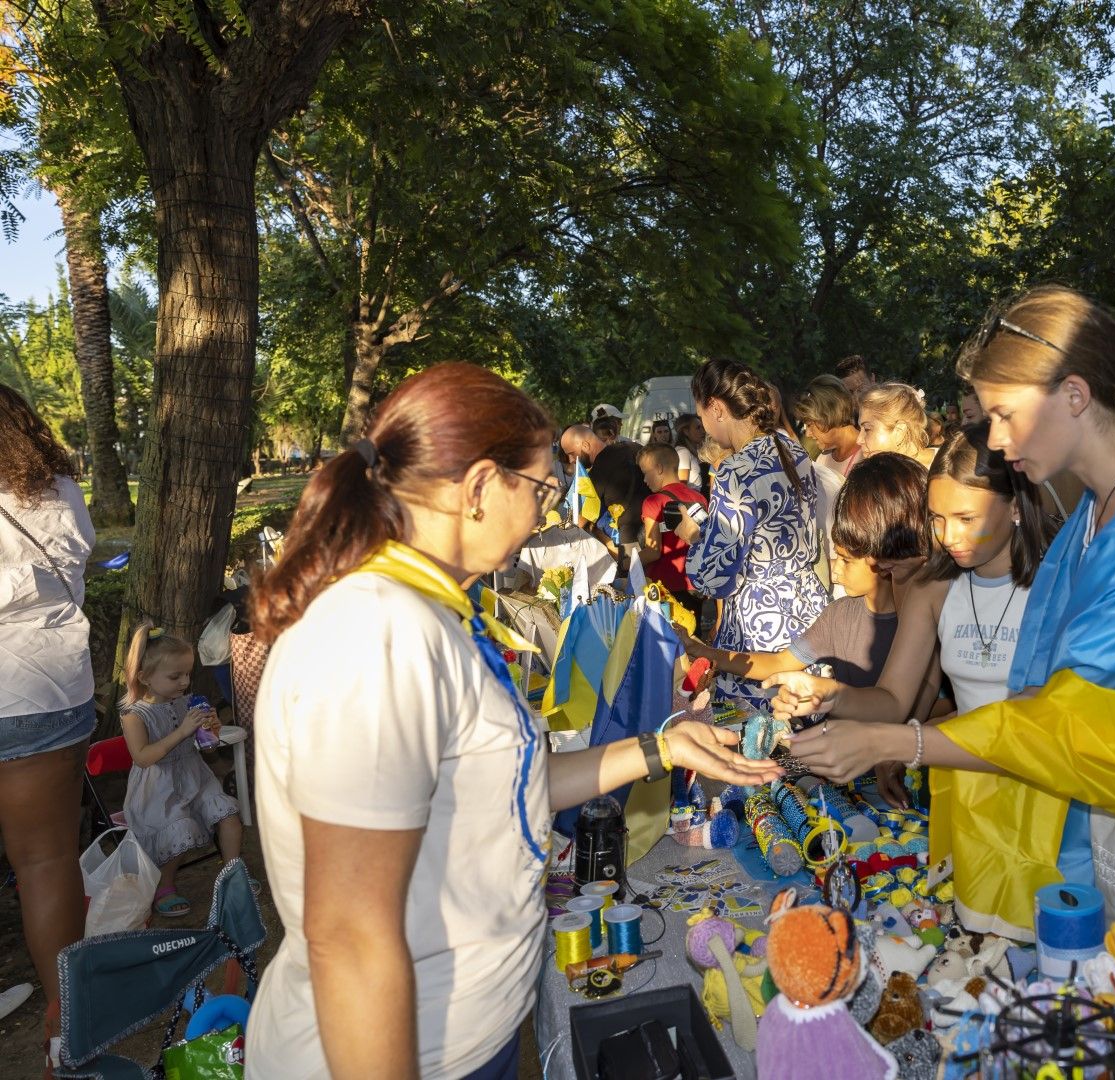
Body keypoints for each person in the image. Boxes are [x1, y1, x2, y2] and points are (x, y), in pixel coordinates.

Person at [775, 286, 1115, 1056]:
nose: (997, 442)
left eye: (1004, 414)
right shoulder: (1103, 507)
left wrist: (895, 745)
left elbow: (1067, 719)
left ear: (1075, 395)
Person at [245, 363, 777, 1080]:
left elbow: (500, 783)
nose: (544, 512)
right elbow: (350, 935)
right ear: (479, 488)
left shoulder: (425, 614)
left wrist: (657, 748)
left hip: (463, 1034)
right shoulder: (374, 637)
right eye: (541, 488)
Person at [770, 424, 1060, 940]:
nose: (947, 536)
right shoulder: (933, 587)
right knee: (983, 942)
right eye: (937, 518)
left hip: (1049, 801)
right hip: (968, 797)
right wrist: (828, 694)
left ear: (1016, 505)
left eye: (965, 518)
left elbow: (1041, 722)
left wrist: (895, 742)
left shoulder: (1055, 582)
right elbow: (895, 699)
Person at [0, 384, 94, 1074]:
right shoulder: (58, 488)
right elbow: (78, 569)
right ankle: (66, 1027)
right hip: (47, 689)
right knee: (44, 862)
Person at [678, 454, 925, 692]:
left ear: (883, 556)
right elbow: (778, 663)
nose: (836, 574)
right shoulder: (838, 615)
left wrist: (832, 697)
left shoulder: (922, 616)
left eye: (846, 561)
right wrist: (701, 650)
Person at [673, 359, 828, 712]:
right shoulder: (795, 450)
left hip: (760, 625)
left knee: (762, 741)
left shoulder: (736, 470)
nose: (707, 429)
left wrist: (694, 539)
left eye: (703, 417)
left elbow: (712, 577)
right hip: (808, 610)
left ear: (716, 408)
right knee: (806, 727)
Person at [118, 624, 245, 917]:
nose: (184, 682)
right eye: (175, 676)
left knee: (229, 816)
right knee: (180, 828)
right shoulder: (133, 715)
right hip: (157, 787)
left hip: (194, 776)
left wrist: (210, 732)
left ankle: (231, 878)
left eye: (187, 673)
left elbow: (209, 750)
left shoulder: (187, 703)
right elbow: (143, 758)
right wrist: (183, 731)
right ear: (144, 677)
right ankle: (165, 885)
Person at [795, 375, 863, 594]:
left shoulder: (866, 455)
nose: (808, 432)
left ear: (825, 416)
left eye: (811, 424)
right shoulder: (822, 458)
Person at [558, 424, 653, 556]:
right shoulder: (634, 447)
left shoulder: (598, 470)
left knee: (633, 575)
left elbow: (580, 520)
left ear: (585, 445)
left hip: (631, 540)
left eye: (571, 454)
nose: (571, 460)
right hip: (656, 532)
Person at [636, 442, 707, 612]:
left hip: (666, 586)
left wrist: (626, 563)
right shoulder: (699, 497)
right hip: (695, 583)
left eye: (645, 474)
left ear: (659, 468)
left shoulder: (653, 502)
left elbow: (653, 550)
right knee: (692, 634)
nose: (644, 480)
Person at [857, 382, 934, 465]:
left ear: (900, 431)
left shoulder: (947, 468)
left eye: (867, 429)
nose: (858, 440)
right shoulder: (878, 471)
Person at [674, 412, 708, 493]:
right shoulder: (683, 452)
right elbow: (682, 484)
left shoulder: (694, 450)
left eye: (703, 427)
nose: (703, 431)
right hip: (692, 500)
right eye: (698, 428)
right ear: (686, 431)